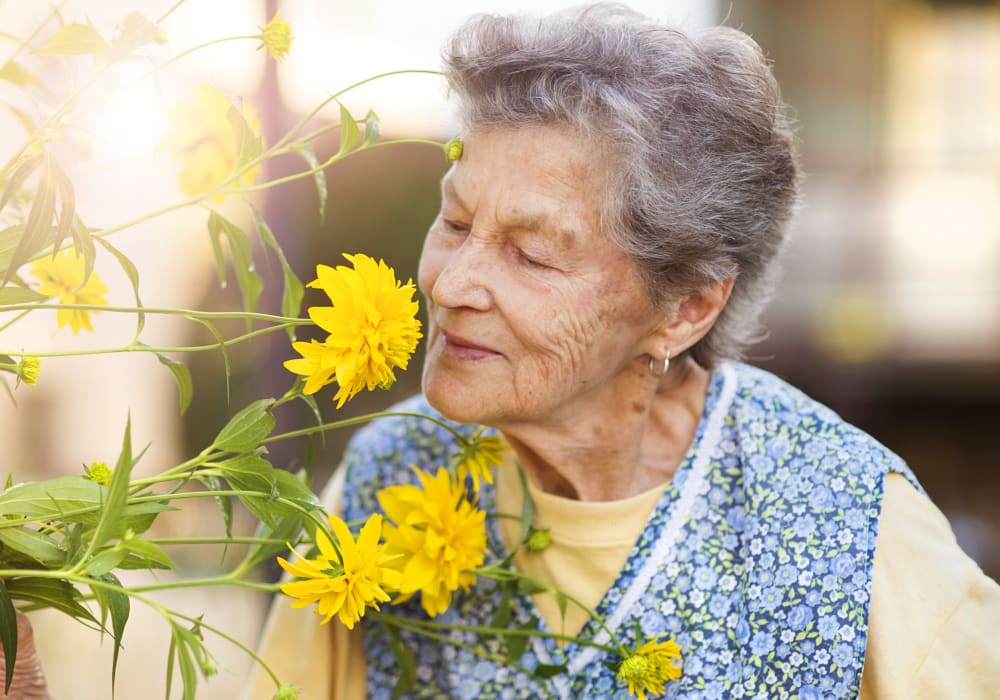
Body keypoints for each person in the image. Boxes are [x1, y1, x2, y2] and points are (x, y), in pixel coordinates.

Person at [7, 4, 998, 699]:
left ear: (686, 307)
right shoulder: (388, 474)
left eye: (530, 252)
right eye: (454, 221)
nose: (448, 281)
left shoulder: (850, 521)